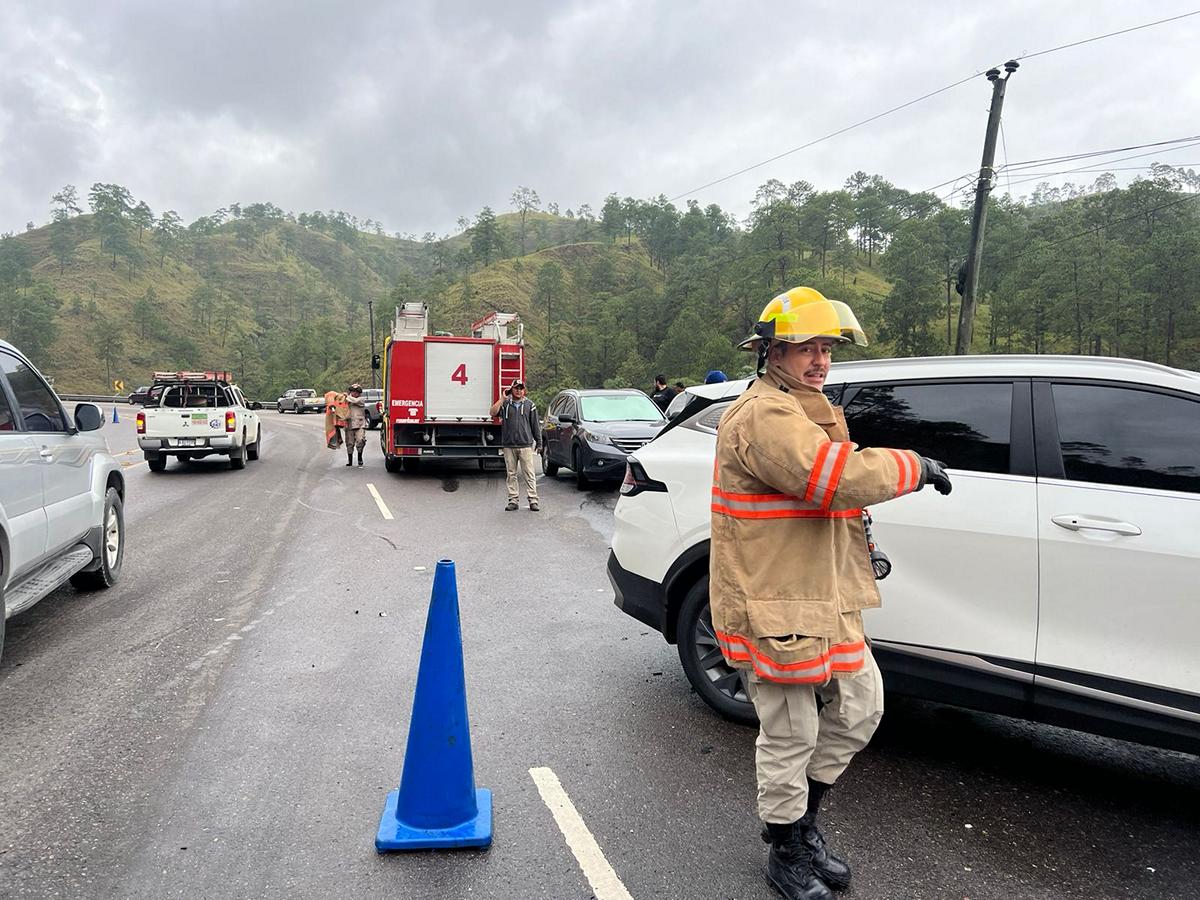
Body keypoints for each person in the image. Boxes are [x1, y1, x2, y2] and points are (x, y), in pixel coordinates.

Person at [711, 286, 952, 900]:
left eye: (826, 347)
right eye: (804, 348)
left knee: (860, 707)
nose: (819, 359)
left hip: (823, 598)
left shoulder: (807, 405)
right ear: (770, 353)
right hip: (775, 606)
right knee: (790, 732)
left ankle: (803, 822)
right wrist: (913, 466)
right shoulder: (766, 415)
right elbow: (830, 478)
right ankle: (786, 848)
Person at [489, 379, 541, 511]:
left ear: (524, 390)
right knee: (511, 474)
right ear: (511, 389)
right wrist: (502, 398)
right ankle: (513, 500)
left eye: (521, 388)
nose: (519, 390)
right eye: (516, 388)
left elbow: (535, 425)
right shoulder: (505, 404)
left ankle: (533, 500)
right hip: (509, 445)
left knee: (529, 473)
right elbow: (492, 412)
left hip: (525, 445)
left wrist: (539, 442)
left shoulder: (530, 405)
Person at [343, 383, 368, 467]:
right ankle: (350, 461)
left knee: (360, 441)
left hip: (360, 424)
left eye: (356, 392)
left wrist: (347, 396)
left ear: (359, 393)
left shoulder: (361, 399)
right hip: (349, 424)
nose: (354, 393)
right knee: (349, 443)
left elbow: (355, 401)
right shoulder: (346, 399)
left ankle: (360, 458)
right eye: (353, 391)